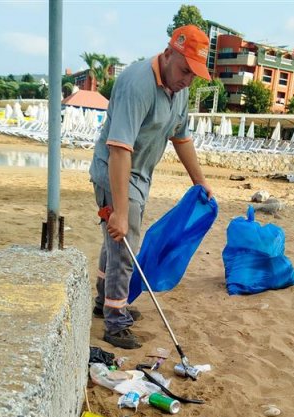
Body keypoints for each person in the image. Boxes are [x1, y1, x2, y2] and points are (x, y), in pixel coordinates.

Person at [90, 24, 214, 350]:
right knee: (124, 244)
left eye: (194, 74)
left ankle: (105, 301)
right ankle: (115, 323)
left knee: (116, 241)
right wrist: (118, 209)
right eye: (185, 69)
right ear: (169, 52)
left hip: (140, 174)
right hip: (115, 171)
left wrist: (199, 181)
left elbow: (181, 137)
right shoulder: (138, 84)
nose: (187, 79)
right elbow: (119, 149)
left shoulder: (180, 89)